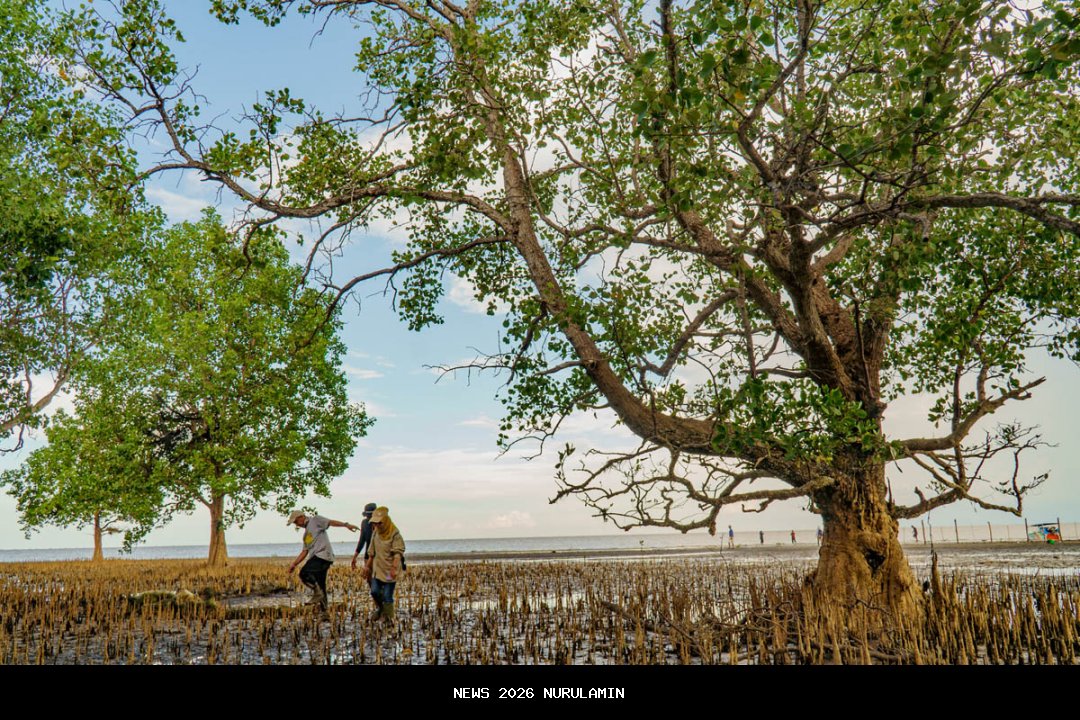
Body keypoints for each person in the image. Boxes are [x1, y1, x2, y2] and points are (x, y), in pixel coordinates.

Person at [286, 510, 358, 611]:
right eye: (294, 523)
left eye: (296, 521)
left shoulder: (315, 520)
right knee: (321, 584)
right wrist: (294, 564)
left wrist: (346, 525)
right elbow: (304, 551)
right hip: (317, 557)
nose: (296, 524)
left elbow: (330, 522)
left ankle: (317, 593)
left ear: (301, 517)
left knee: (304, 573)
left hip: (323, 555)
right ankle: (324, 611)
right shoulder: (306, 535)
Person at [362, 506, 406, 624]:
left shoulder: (395, 534)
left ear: (385, 522)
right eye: (375, 523)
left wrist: (394, 568)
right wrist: (367, 567)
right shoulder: (375, 533)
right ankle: (382, 610)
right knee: (374, 591)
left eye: (379, 523)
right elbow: (371, 553)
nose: (377, 526)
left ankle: (388, 618)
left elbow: (398, 553)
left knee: (387, 595)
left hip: (389, 571)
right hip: (377, 570)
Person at [350, 502, 378, 570]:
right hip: (368, 556)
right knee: (370, 579)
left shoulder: (382, 524)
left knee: (385, 578)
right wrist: (354, 557)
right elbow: (362, 541)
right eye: (368, 516)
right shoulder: (365, 523)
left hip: (382, 557)